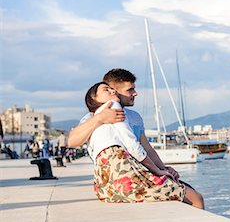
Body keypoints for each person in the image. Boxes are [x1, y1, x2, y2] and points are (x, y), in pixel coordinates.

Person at [68, 69, 203, 208]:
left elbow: (147, 148)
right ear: (114, 91)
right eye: (130, 90)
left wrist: (164, 168)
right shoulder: (95, 115)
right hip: (127, 175)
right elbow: (72, 141)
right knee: (195, 198)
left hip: (124, 175)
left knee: (186, 189)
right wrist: (100, 118)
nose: (135, 93)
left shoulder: (135, 117)